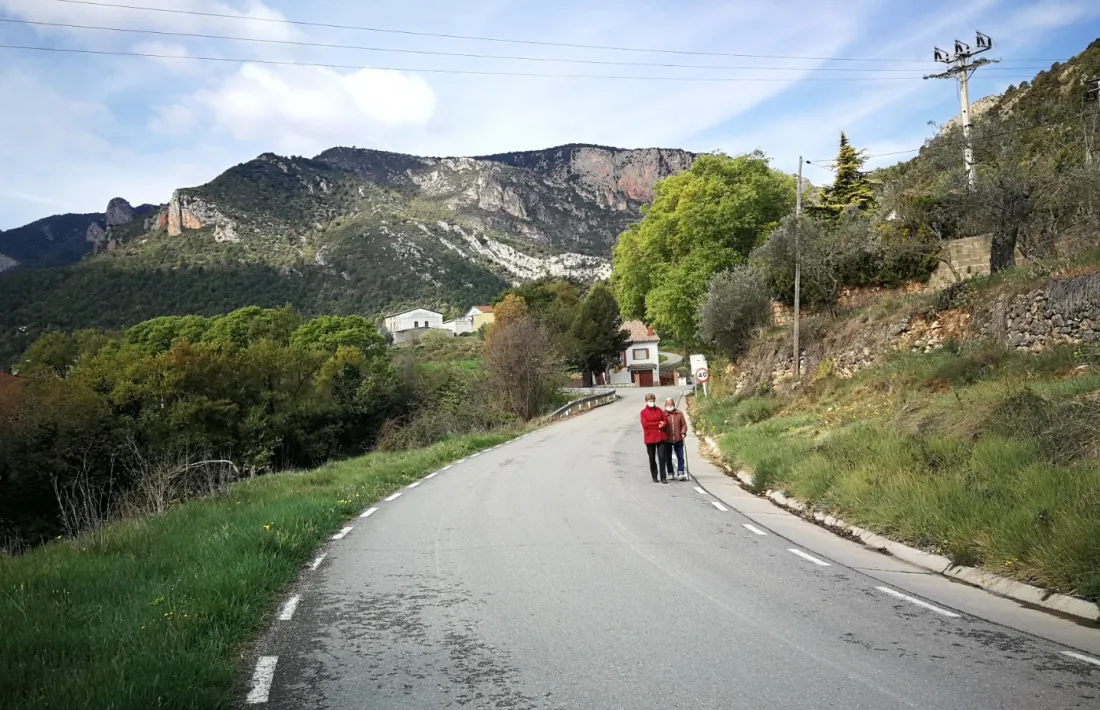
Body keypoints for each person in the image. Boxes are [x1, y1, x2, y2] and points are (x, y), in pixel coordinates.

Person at [639, 392, 670, 483]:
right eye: (649, 400)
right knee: (652, 458)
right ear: (646, 401)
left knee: (662, 457)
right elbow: (645, 424)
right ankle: (654, 476)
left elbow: (665, 421)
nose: (651, 402)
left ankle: (663, 477)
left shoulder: (659, 410)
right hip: (650, 438)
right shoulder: (643, 412)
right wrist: (658, 424)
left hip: (660, 437)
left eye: (652, 400)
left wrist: (663, 424)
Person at [663, 397, 689, 481]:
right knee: (668, 458)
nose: (670, 406)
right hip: (667, 440)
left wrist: (683, 433)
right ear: (665, 405)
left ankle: (680, 472)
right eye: (668, 404)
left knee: (680, 457)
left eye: (671, 404)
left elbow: (684, 425)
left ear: (674, 404)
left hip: (678, 439)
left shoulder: (679, 413)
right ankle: (670, 473)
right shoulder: (663, 414)